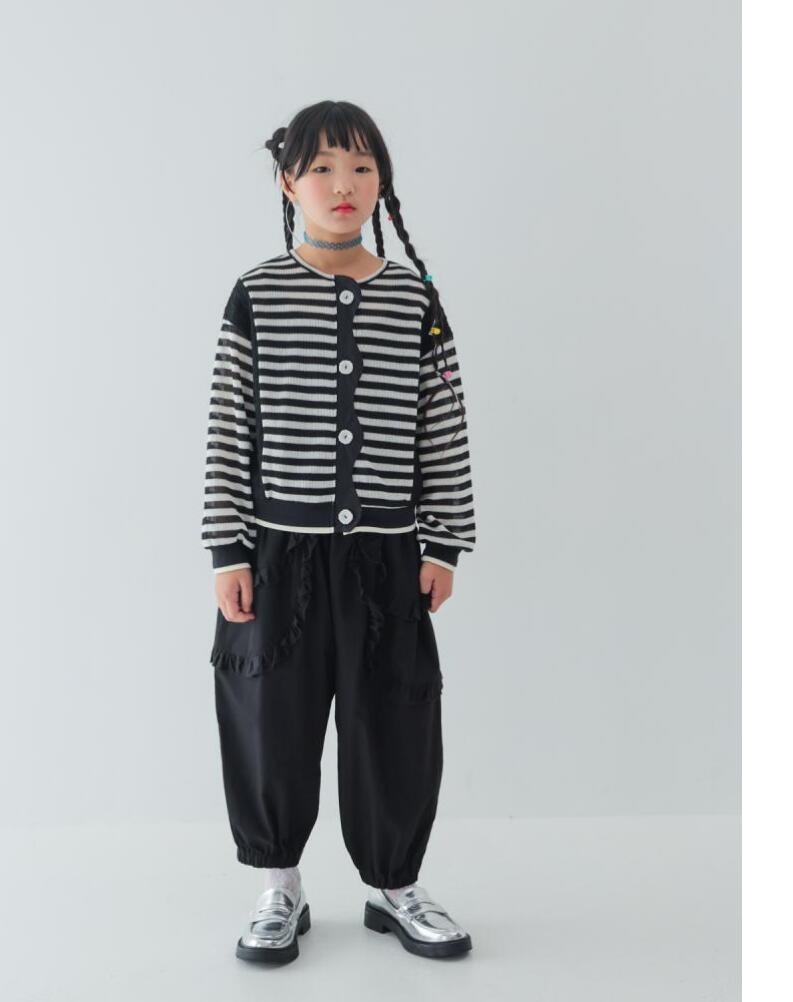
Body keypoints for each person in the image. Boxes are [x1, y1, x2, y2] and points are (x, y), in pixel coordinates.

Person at [200, 100, 477, 964]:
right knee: (269, 720)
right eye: (321, 167)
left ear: (382, 182)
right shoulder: (257, 292)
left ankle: (396, 885)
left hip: (386, 557)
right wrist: (228, 549)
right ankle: (278, 885)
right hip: (277, 556)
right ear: (289, 183)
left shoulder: (413, 298)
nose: (342, 183)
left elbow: (442, 424)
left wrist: (443, 541)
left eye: (360, 167)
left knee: (395, 718)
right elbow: (229, 427)